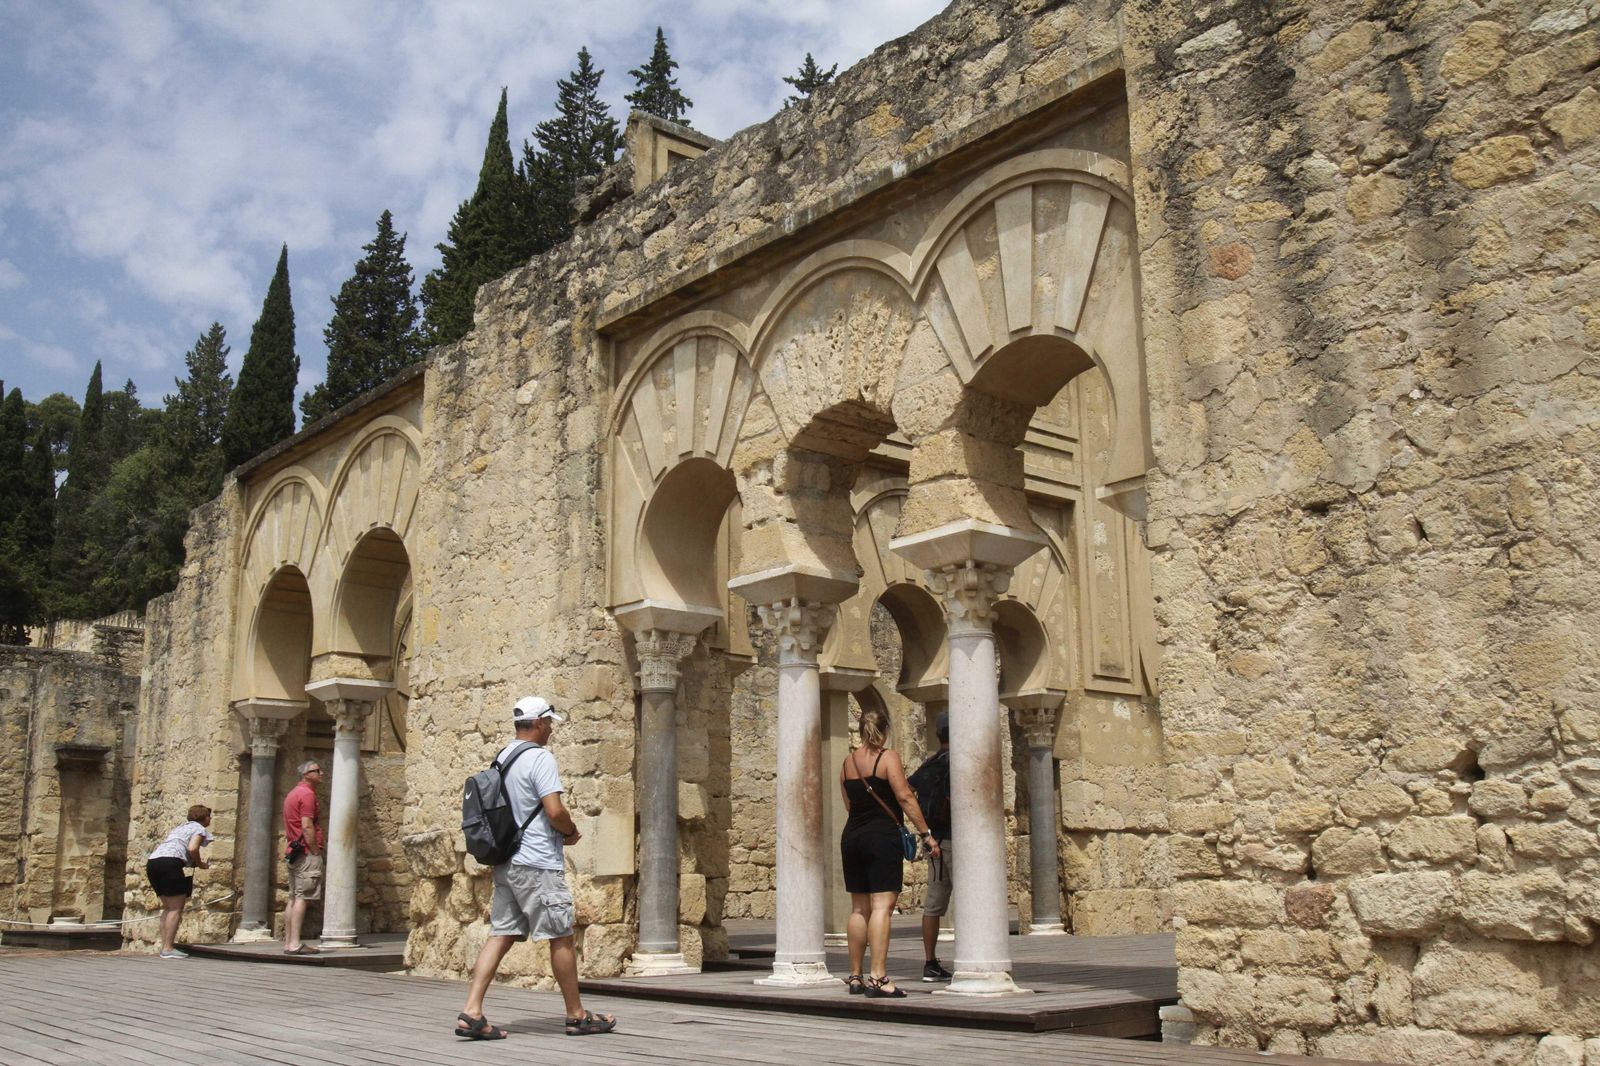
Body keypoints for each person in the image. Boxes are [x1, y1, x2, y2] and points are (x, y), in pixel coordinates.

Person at [455, 695, 618, 1040]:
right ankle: (576, 1015)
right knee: (560, 934)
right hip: (538, 863)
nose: (551, 732)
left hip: (508, 862)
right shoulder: (541, 759)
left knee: (501, 933)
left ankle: (472, 1010)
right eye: (550, 724)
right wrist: (571, 833)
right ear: (541, 722)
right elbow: (554, 810)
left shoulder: (502, 756)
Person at [839, 704, 940, 998]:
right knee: (882, 907)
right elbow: (905, 797)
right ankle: (879, 977)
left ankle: (856, 975)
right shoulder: (888, 758)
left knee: (859, 908)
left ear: (860, 732)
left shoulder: (847, 763)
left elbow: (848, 803)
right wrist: (926, 833)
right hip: (881, 838)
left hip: (852, 836)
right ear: (884, 732)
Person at [908, 712, 953, 982]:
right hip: (957, 840)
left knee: (933, 905)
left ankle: (930, 962)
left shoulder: (930, 764)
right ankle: (975, 958)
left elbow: (906, 788)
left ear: (938, 735)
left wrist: (925, 832)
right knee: (972, 898)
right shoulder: (957, 762)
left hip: (934, 841)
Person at [145, 804, 214, 959]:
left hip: (153, 862)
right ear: (204, 817)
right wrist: (200, 864)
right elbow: (192, 848)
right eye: (209, 816)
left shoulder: (179, 828)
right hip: (171, 863)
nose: (210, 819)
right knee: (176, 907)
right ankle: (168, 948)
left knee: (168, 907)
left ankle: (164, 946)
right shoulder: (199, 829)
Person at [282, 760, 325, 955]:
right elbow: (307, 825)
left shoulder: (292, 794)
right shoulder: (307, 795)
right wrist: (315, 850)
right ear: (306, 774)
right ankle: (295, 943)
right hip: (306, 852)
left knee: (293, 897)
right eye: (317, 771)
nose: (321, 773)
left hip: (294, 851)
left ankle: (289, 942)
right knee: (303, 898)